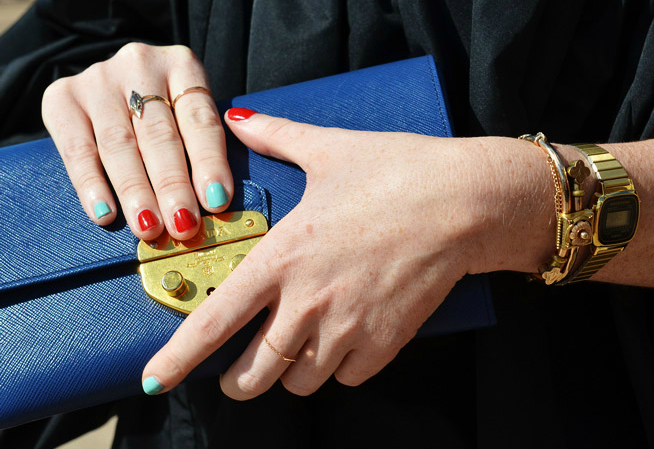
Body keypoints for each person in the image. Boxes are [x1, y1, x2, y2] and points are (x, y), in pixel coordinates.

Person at [1, 1, 653, 448]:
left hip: (555, 396)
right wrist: (116, 84)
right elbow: (94, 28)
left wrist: (509, 203)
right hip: (216, 420)